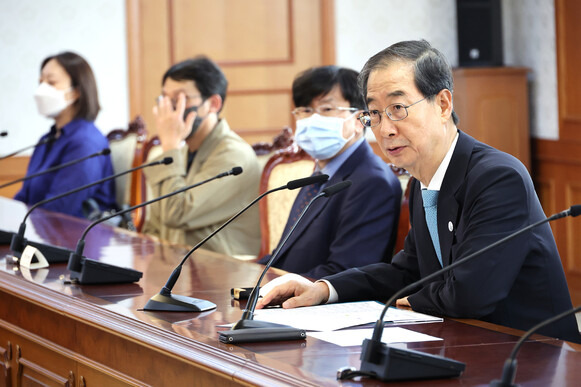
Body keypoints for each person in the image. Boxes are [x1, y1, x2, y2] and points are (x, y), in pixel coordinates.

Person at [257, 40, 581, 343]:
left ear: (442, 104)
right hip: (463, 343)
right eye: (375, 114)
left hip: (531, 353)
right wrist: (323, 289)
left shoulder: (497, 177)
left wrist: (406, 302)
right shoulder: (421, 179)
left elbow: (472, 294)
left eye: (398, 108)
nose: (386, 129)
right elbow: (407, 271)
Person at [258, 66, 402, 279]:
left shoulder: (372, 182)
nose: (312, 120)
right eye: (305, 111)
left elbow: (346, 272)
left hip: (319, 305)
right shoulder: (318, 175)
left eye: (326, 109)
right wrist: (246, 274)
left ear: (359, 118)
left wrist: (274, 285)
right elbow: (283, 257)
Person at [142, 56, 261, 256]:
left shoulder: (233, 156)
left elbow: (176, 214)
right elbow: (155, 225)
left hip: (220, 274)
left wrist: (170, 144)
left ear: (213, 104)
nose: (171, 110)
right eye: (166, 99)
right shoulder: (182, 152)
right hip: (175, 266)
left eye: (181, 99)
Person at [15, 52, 116, 218]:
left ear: (75, 92)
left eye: (51, 82)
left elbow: (59, 210)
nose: (41, 90)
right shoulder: (47, 139)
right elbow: (24, 197)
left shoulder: (85, 142)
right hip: (40, 232)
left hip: (72, 239)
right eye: (41, 82)